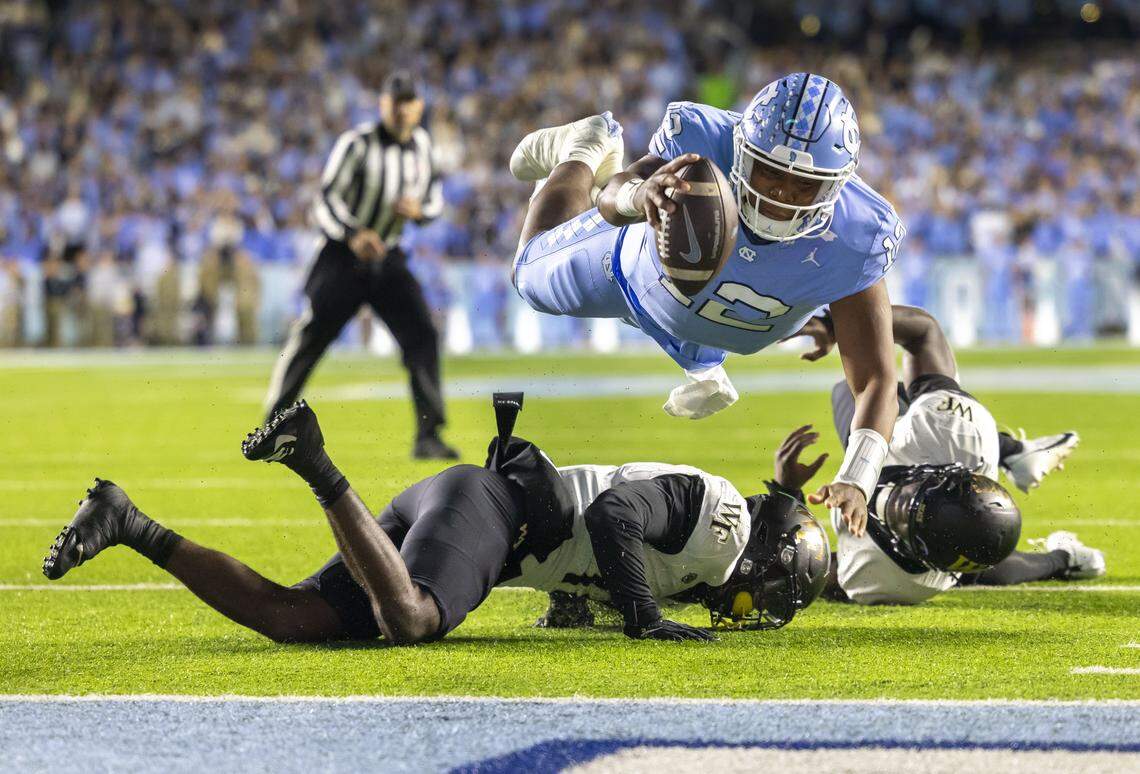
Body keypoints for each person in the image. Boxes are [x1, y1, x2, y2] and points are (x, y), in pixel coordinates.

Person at [40, 396, 830, 644]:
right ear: (765, 553)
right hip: (490, 509)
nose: (749, 606)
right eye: (767, 594)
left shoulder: (713, 539)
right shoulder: (722, 521)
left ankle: (130, 523)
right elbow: (619, 512)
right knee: (412, 620)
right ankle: (313, 457)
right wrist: (642, 616)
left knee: (297, 618)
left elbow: (595, 556)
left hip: (467, 513)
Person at [508, 74, 905, 542]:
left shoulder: (859, 235)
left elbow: (878, 378)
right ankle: (585, 147)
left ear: (836, 187)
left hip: (710, 315)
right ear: (742, 153)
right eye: (770, 173)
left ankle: (702, 361)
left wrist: (857, 478)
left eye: (803, 187)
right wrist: (640, 195)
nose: (780, 197)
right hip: (632, 272)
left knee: (710, 312)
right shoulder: (704, 142)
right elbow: (615, 193)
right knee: (529, 275)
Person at [786, 305, 1102, 605]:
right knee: (865, 389)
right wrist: (838, 325)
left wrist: (787, 492)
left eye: (906, 514)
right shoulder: (953, 436)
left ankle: (1063, 559)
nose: (895, 500)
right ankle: (1016, 452)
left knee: (977, 563)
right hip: (942, 446)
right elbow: (923, 332)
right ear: (943, 474)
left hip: (934, 549)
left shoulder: (884, 576)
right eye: (914, 497)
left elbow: (804, 570)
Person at [263, 71, 455, 460]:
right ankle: (271, 425)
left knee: (422, 335)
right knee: (311, 337)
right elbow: (325, 200)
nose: (401, 110)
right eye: (394, 102)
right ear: (383, 104)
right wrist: (352, 233)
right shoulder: (356, 144)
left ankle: (428, 434)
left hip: (388, 256)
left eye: (408, 102)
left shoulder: (423, 147)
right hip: (341, 256)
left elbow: (435, 200)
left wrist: (420, 212)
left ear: (418, 107)